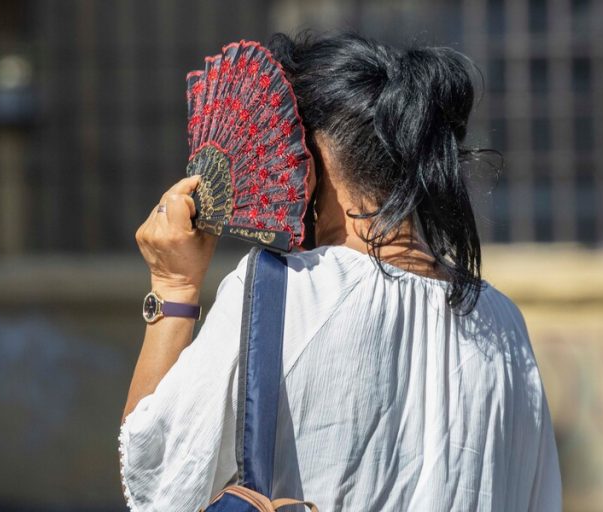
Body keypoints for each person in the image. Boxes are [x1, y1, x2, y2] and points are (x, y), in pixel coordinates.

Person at [119, 32, 562, 511]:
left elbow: (158, 476)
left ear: (300, 161)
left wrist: (174, 286)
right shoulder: (503, 322)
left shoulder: (280, 293)